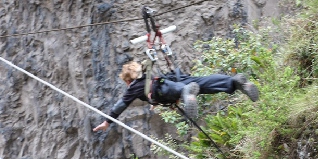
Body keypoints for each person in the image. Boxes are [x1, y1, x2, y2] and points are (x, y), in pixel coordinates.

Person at [91, 59, 260, 132]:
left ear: (128, 80)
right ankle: (233, 82)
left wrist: (107, 122)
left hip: (166, 89)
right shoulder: (150, 76)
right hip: (174, 80)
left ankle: (186, 93)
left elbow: (120, 105)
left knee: (183, 90)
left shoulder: (133, 87)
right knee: (202, 83)